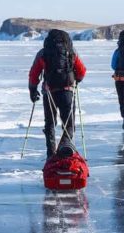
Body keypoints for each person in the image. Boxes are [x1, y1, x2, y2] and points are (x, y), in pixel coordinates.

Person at [28, 29, 87, 157]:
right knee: (68, 123)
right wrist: (77, 80)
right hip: (68, 91)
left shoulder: (43, 53)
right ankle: (66, 150)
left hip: (49, 93)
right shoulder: (71, 52)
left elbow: (34, 73)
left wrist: (32, 89)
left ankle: (51, 153)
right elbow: (81, 71)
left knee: (50, 123)